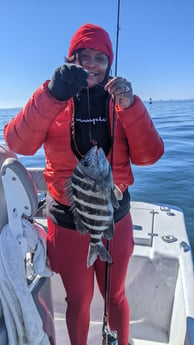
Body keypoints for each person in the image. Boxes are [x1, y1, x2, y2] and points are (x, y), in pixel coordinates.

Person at [4, 23, 164, 345]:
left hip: (114, 218)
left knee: (115, 296)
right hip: (66, 222)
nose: (91, 64)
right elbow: (17, 142)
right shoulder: (55, 95)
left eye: (100, 58)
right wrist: (51, 94)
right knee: (78, 301)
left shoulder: (120, 102)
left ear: (109, 64)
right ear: (71, 58)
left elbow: (150, 155)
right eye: (84, 56)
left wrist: (131, 106)